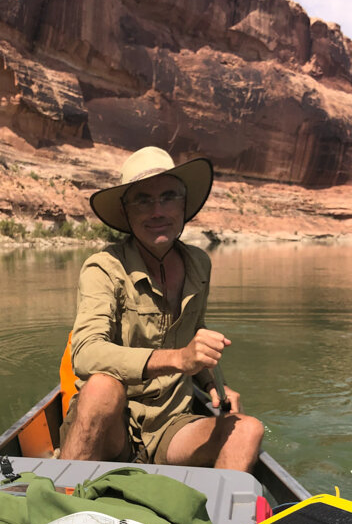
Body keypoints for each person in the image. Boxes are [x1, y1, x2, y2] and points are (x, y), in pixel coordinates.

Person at [59, 146, 264, 471]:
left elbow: (195, 332)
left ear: (184, 206)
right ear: (126, 212)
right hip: (113, 424)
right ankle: (62, 500)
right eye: (143, 200)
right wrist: (179, 359)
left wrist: (213, 384)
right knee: (100, 388)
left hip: (172, 424)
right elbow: (85, 354)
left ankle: (215, 523)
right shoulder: (104, 267)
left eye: (168, 197)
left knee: (248, 429)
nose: (157, 211)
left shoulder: (199, 264)